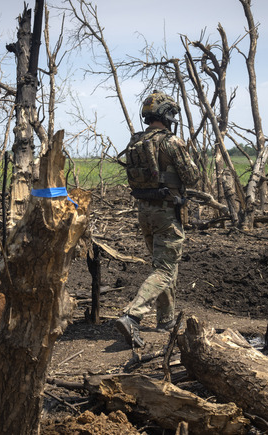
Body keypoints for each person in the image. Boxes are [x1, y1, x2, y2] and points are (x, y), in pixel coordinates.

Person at [114, 90, 199, 348]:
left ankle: (166, 320)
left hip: (145, 212)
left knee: (164, 266)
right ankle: (132, 315)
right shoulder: (172, 143)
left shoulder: (135, 142)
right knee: (164, 268)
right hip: (166, 212)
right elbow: (193, 177)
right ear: (166, 115)